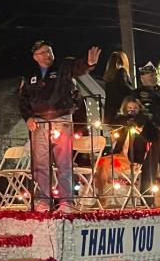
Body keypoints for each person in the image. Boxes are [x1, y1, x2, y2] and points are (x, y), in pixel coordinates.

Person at [18, 40, 101, 211]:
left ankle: (66, 201)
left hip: (61, 118)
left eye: (49, 51)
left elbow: (77, 67)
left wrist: (88, 63)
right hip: (38, 122)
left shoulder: (63, 66)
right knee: (40, 164)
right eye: (42, 53)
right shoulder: (29, 74)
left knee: (64, 163)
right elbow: (23, 99)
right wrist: (27, 117)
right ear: (35, 57)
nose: (47, 55)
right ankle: (44, 201)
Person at [133, 62, 160, 195]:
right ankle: (147, 197)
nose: (153, 77)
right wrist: (159, 125)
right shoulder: (140, 93)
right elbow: (146, 112)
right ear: (142, 77)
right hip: (150, 133)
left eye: (154, 74)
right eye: (150, 75)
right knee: (150, 166)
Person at [102, 50, 133, 122]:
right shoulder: (121, 71)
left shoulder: (108, 78)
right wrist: (137, 93)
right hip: (122, 113)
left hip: (110, 115)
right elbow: (126, 88)